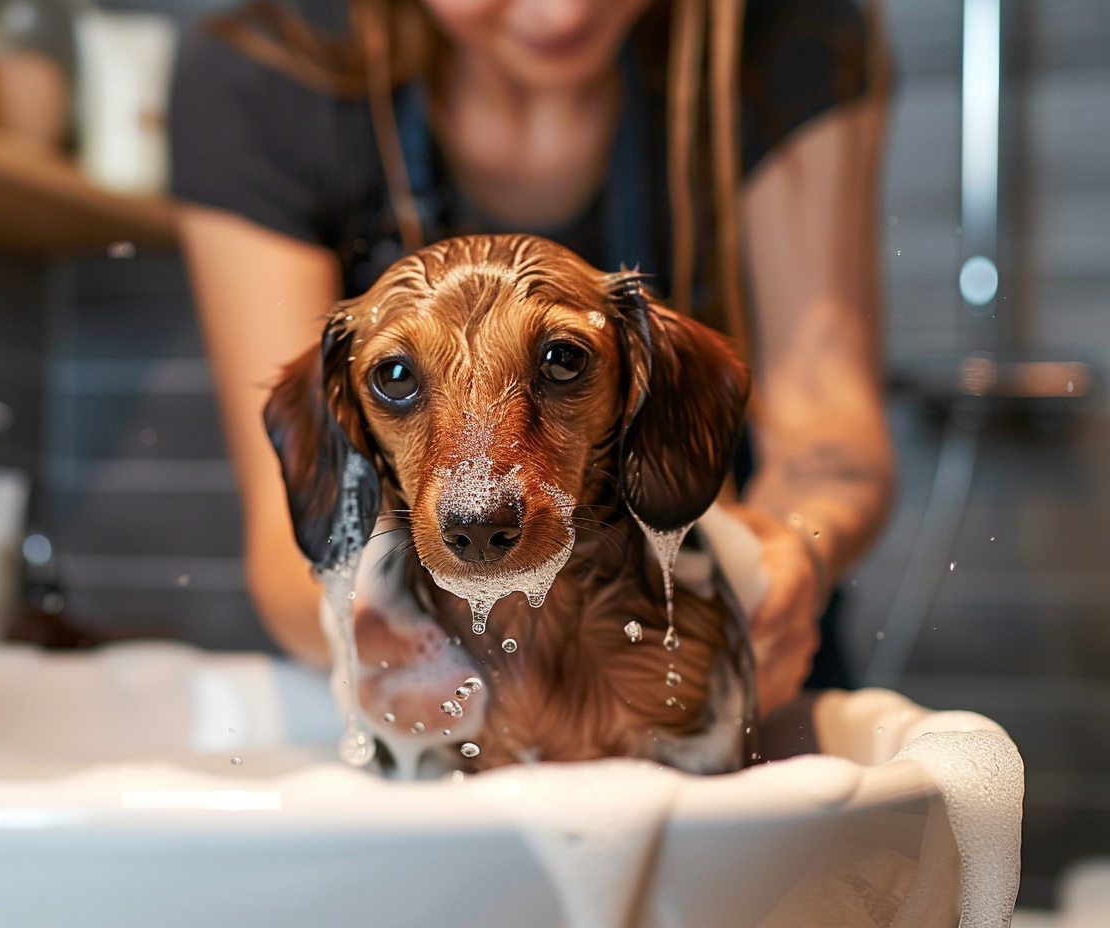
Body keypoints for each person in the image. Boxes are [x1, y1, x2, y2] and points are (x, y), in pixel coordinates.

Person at [169, 0, 896, 716]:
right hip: (424, 674)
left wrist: (789, 559)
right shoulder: (262, 81)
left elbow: (828, 441)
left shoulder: (783, 34)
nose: (563, 14)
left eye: (564, 362)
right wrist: (389, 634)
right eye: (396, 377)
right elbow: (302, 540)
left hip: (723, 652)